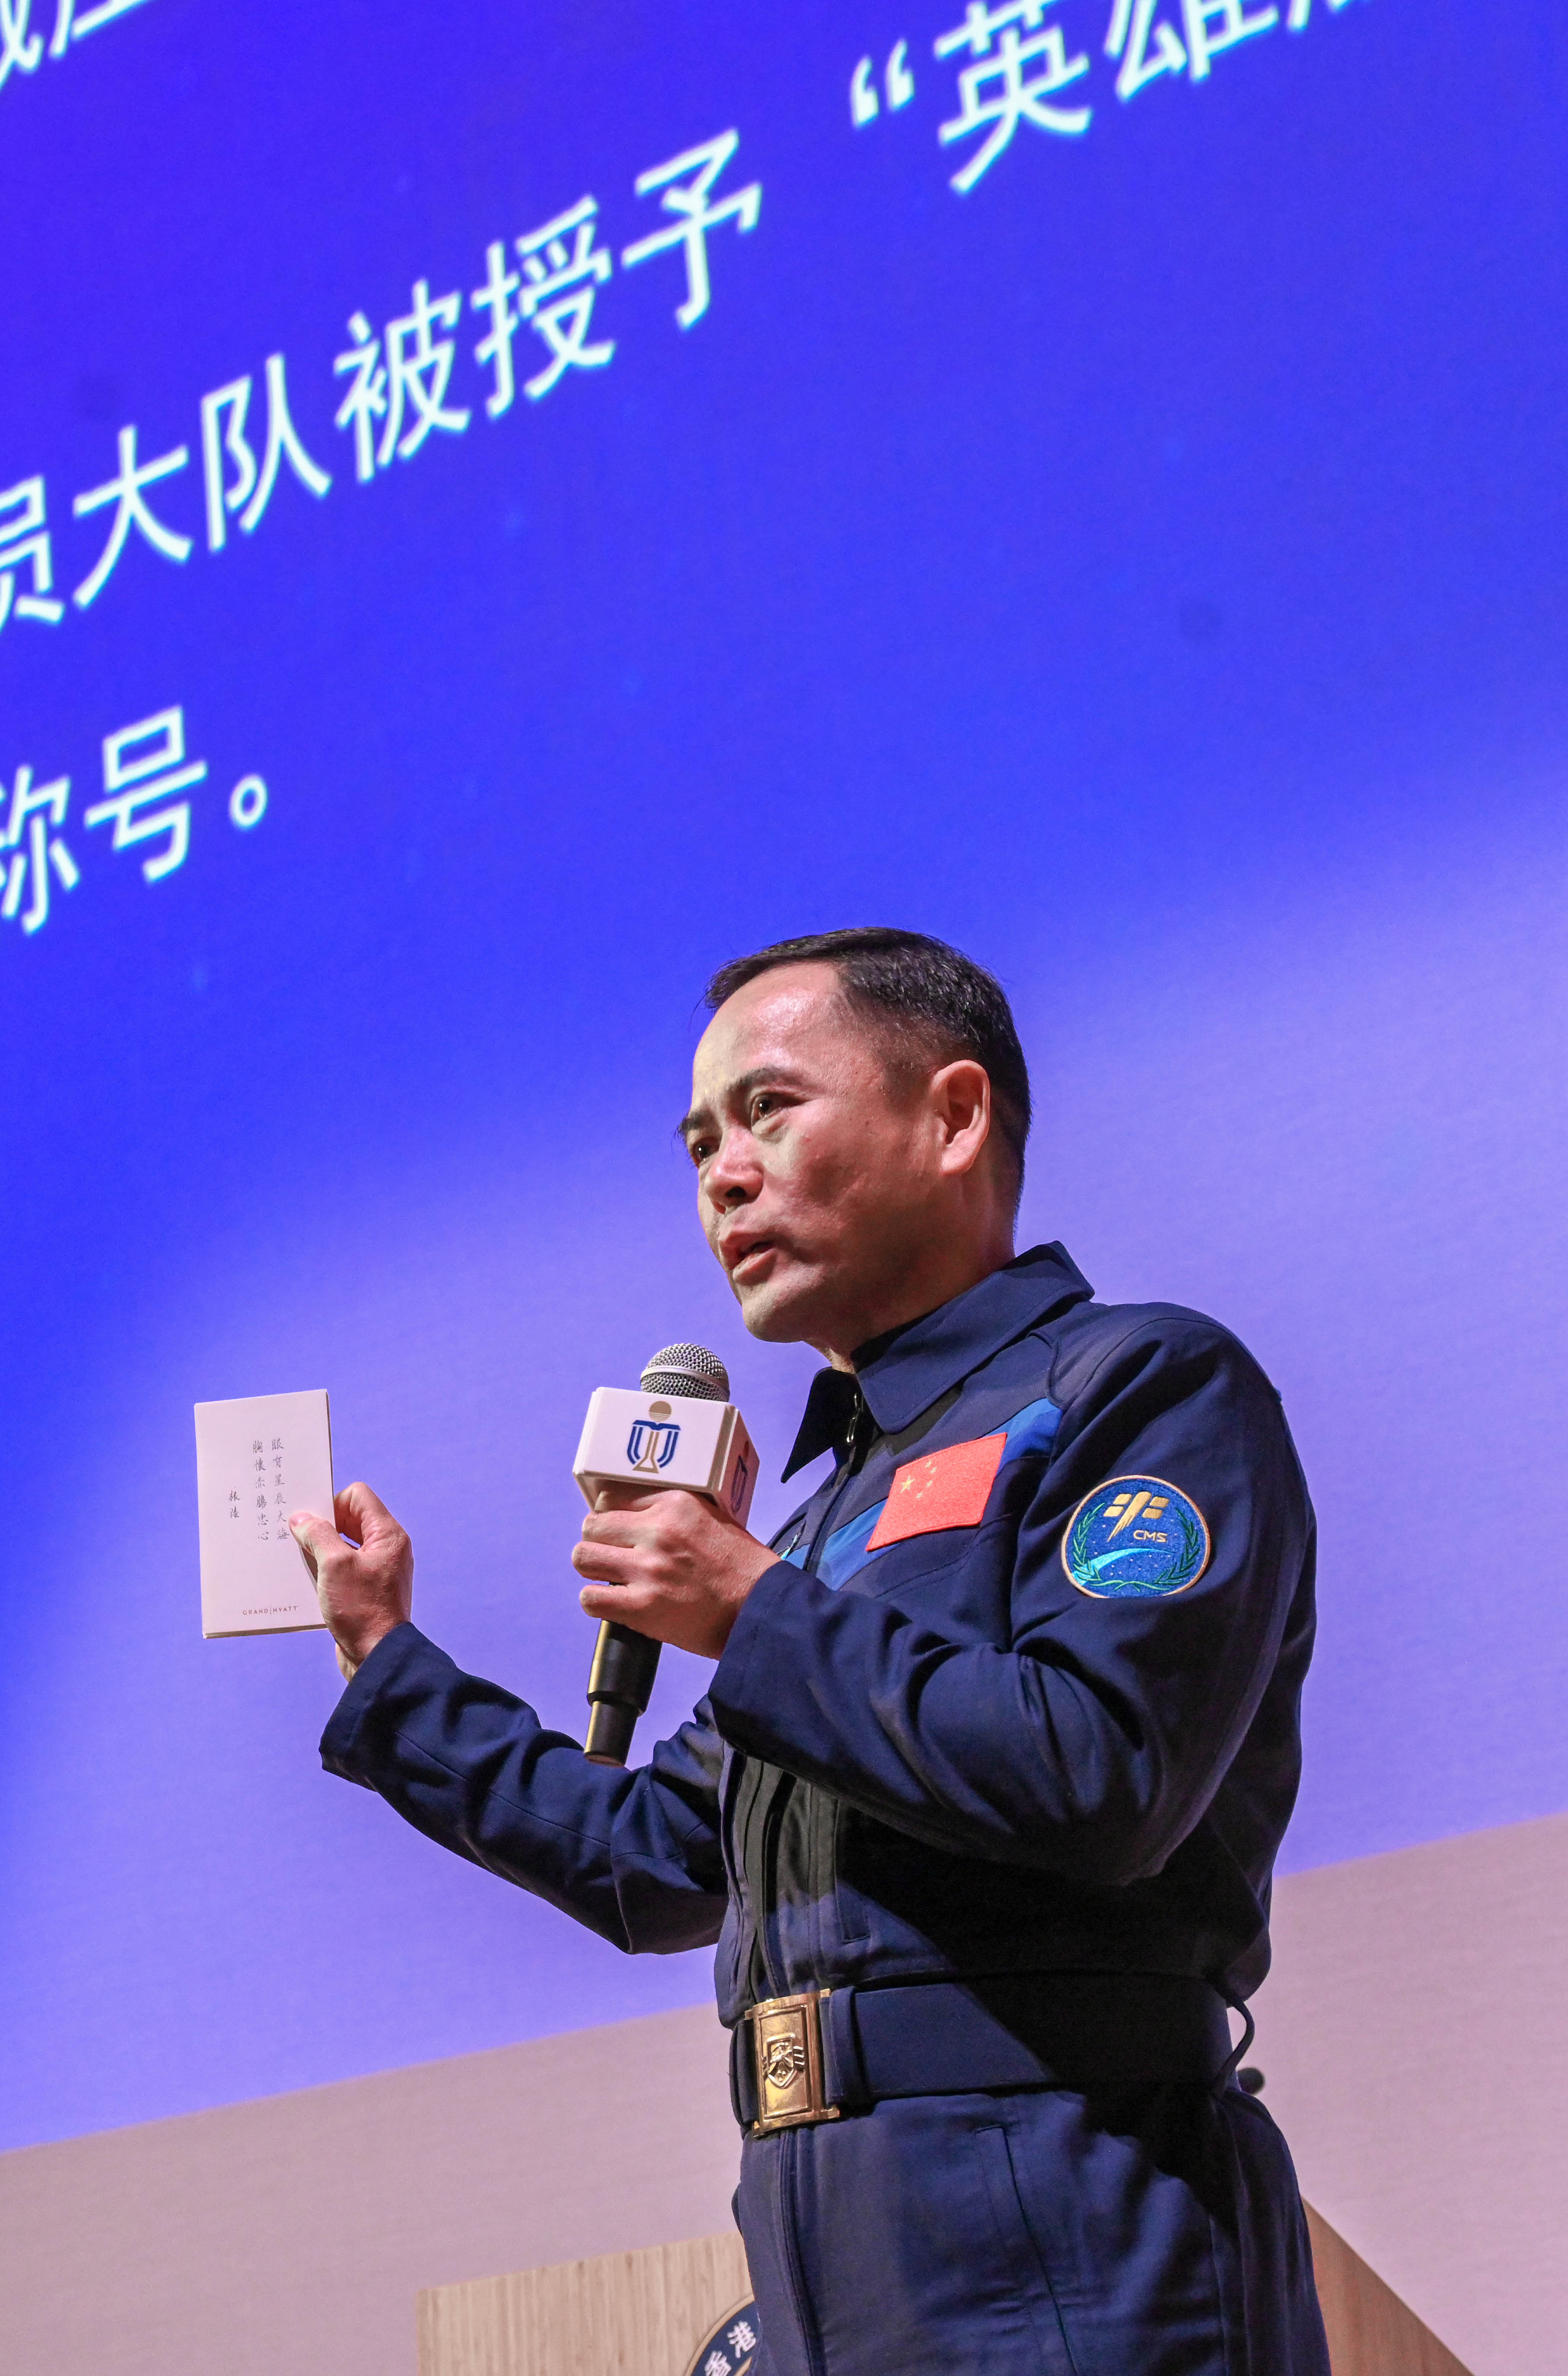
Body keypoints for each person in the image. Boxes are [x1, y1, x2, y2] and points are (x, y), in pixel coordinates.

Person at [291, 929, 1323, 2376]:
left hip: (1074, 2194)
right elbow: (657, 1855)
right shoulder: (825, 1522)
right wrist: (389, 1667)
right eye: (700, 1143)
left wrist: (751, 1610)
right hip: (823, 2227)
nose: (723, 1175)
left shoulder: (1139, 1386)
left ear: (951, 1117)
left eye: (768, 1111)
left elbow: (1100, 1771)